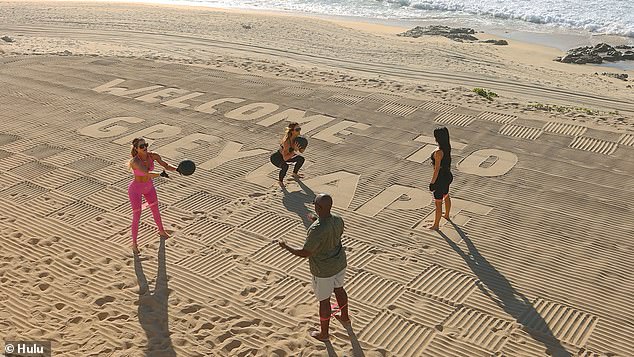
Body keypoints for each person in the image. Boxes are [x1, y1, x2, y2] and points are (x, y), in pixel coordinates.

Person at [278, 193, 349, 342]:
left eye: (315, 204)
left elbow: (305, 253)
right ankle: (345, 317)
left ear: (318, 207)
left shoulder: (315, 230)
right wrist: (317, 220)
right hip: (340, 263)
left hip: (324, 270)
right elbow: (334, 231)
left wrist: (286, 247)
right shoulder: (338, 219)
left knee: (324, 301)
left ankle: (324, 334)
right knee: (339, 289)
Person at [128, 137, 177, 252]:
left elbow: (166, 165)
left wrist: (178, 169)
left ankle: (161, 231)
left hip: (149, 188)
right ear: (136, 149)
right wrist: (160, 174)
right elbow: (146, 173)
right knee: (137, 215)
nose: (145, 147)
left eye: (145, 145)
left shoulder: (153, 156)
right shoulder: (135, 161)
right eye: (141, 146)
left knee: (155, 209)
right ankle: (134, 243)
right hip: (136, 190)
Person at [427, 126, 453, 230]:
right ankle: (446, 215)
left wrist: (432, 183)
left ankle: (436, 225)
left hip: (440, 178)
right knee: (446, 195)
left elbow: (436, 169)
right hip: (448, 176)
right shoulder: (447, 147)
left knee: (438, 202)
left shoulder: (438, 152)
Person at [276, 122, 305, 187]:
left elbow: (299, 152)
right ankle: (280, 181)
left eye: (299, 129)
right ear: (292, 131)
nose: (299, 131)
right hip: (277, 157)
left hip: (287, 156)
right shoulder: (287, 142)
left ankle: (294, 173)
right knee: (285, 166)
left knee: (301, 159)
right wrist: (294, 151)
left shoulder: (296, 139)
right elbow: (285, 158)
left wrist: (301, 149)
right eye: (297, 130)